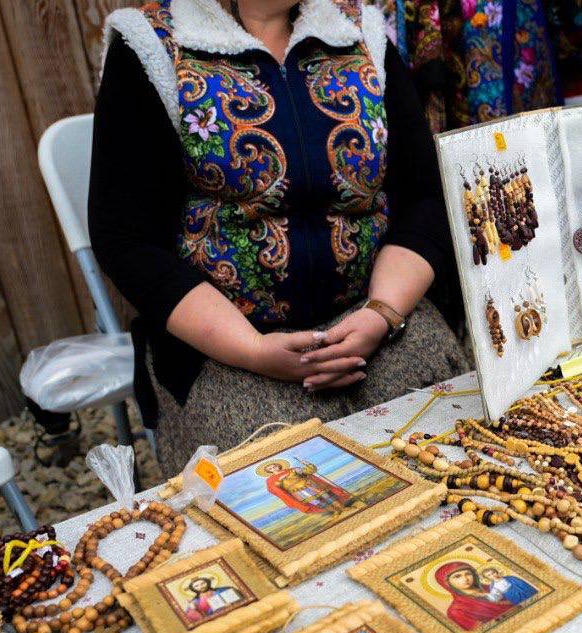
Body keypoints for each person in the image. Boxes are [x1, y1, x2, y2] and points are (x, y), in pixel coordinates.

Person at [90, 0, 472, 474]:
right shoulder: (154, 46)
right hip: (226, 344)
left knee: (453, 443)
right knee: (282, 479)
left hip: (376, 316)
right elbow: (126, 238)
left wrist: (382, 313)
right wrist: (251, 349)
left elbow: (423, 196)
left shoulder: (359, 33)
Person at [433, 561, 515, 631]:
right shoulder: (457, 610)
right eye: (457, 576)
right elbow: (484, 632)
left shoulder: (493, 587)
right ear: (446, 583)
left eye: (468, 574)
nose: (465, 579)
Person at [256, 458, 352, 514]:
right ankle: (335, 511)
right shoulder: (270, 480)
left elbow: (308, 471)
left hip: (310, 485)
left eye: (274, 466)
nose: (273, 468)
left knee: (327, 496)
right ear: (269, 471)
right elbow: (274, 489)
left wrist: (308, 465)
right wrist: (280, 481)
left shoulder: (293, 469)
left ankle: (343, 508)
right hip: (298, 492)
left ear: (278, 465)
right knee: (317, 502)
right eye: (270, 468)